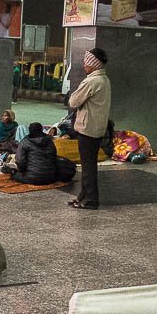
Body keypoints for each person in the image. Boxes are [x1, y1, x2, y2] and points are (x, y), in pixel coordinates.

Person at [68, 48, 110, 210]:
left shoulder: (91, 82)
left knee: (88, 166)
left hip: (88, 128)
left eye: (86, 62)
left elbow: (73, 101)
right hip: (97, 127)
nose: (84, 65)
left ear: (93, 64)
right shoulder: (104, 80)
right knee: (89, 164)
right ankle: (83, 196)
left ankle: (91, 199)